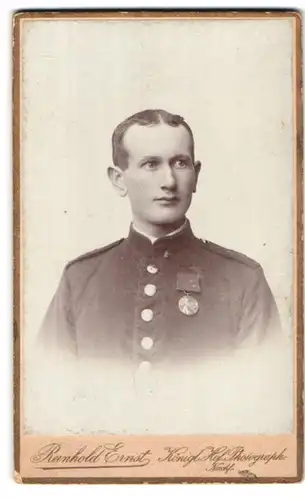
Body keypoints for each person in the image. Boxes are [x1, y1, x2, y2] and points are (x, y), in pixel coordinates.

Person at [38, 109, 281, 368]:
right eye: (151, 164)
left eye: (180, 163)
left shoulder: (242, 280)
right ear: (119, 180)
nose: (169, 181)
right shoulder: (79, 280)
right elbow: (52, 390)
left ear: (195, 175)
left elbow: (260, 395)